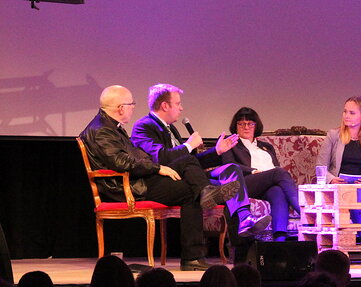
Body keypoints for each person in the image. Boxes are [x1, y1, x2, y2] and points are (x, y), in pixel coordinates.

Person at [80, 85, 240, 271]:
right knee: (190, 190)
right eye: (131, 104)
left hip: (138, 178)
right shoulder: (102, 130)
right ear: (121, 108)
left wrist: (157, 167)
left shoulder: (111, 126)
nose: (133, 107)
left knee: (189, 170)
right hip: (125, 186)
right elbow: (121, 162)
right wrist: (157, 168)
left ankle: (205, 195)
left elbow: (135, 158)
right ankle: (192, 256)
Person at [130, 84, 271, 254]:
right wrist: (188, 145)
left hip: (185, 175)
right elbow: (160, 158)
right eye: (178, 104)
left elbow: (191, 162)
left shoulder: (171, 128)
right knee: (223, 188)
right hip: (163, 182)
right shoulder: (143, 126)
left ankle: (244, 226)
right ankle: (240, 249)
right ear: (165, 106)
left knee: (232, 178)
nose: (181, 108)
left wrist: (217, 151)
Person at [222, 107, 301, 242]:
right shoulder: (231, 143)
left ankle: (279, 239)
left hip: (267, 183)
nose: (246, 127)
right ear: (235, 126)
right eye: (241, 124)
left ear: (256, 126)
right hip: (244, 184)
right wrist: (252, 171)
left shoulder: (266, 146)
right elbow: (229, 166)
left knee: (277, 191)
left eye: (250, 123)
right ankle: (303, 210)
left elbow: (275, 167)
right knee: (279, 173)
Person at [316, 96, 361, 226]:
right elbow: (320, 166)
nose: (346, 116)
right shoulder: (333, 135)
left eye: (352, 113)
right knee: (354, 191)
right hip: (338, 183)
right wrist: (331, 179)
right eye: (345, 111)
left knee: (358, 190)